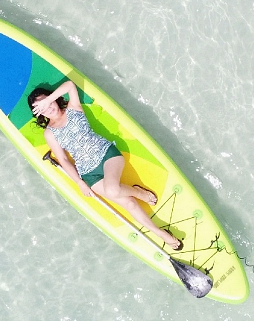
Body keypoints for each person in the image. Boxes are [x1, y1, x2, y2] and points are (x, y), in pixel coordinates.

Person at [28, 82, 183, 251]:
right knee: (129, 204)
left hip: (106, 155)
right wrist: (80, 182)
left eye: (46, 102)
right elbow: (64, 160)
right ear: (39, 113)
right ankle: (159, 233)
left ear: (53, 97)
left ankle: (140, 192)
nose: (47, 108)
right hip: (88, 174)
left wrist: (48, 99)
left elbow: (70, 85)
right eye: (41, 108)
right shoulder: (49, 133)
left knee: (112, 190)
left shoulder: (73, 107)